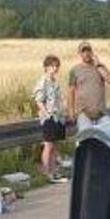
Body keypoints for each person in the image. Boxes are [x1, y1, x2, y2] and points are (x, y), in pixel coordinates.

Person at [33, 55, 68, 183]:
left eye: (57, 66)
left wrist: (64, 108)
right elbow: (38, 99)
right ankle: (47, 173)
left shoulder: (54, 81)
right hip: (49, 117)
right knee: (48, 145)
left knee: (55, 146)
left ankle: (54, 172)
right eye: (52, 66)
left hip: (58, 117)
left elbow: (59, 98)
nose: (55, 68)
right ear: (46, 67)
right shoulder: (43, 81)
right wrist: (46, 114)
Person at [65, 41, 110, 133]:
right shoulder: (75, 70)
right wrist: (71, 111)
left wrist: (99, 65)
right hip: (84, 113)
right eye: (83, 51)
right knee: (86, 138)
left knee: (108, 135)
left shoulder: (100, 66)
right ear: (79, 54)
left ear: (92, 52)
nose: (86, 54)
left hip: (101, 112)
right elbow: (70, 91)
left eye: (88, 51)